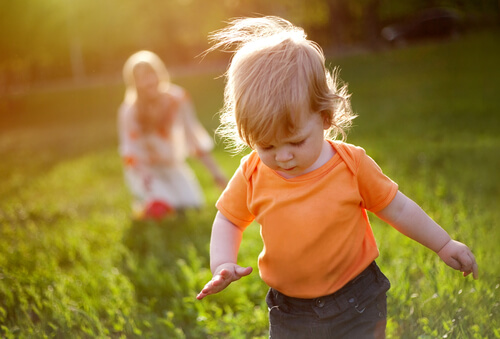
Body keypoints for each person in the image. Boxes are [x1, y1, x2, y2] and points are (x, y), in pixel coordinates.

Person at [196, 16, 478, 338]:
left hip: (357, 299)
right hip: (291, 311)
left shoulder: (351, 164)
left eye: (296, 142)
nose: (283, 156)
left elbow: (397, 208)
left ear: (325, 116)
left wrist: (443, 243)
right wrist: (222, 262)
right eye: (267, 145)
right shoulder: (252, 172)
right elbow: (229, 219)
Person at [118, 50, 227, 220]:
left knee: (192, 205)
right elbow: (129, 150)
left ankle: (155, 200)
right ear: (133, 83)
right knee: (166, 209)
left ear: (160, 73)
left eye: (151, 74)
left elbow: (193, 137)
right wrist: (144, 175)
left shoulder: (178, 98)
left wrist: (215, 172)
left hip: (172, 165)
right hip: (145, 170)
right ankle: (143, 202)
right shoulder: (129, 111)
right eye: (140, 78)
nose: (148, 81)